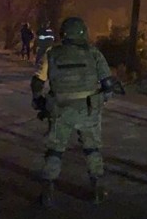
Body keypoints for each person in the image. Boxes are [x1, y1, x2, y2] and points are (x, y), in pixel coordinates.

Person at [31, 17, 114, 206]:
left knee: (55, 150)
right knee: (92, 149)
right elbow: (108, 84)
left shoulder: (51, 54)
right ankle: (98, 190)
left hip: (60, 109)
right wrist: (102, 101)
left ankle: (47, 193)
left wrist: (38, 101)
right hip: (88, 110)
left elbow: (37, 82)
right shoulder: (94, 53)